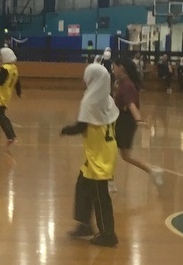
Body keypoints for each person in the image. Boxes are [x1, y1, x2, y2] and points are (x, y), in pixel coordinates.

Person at [60, 63, 119, 247]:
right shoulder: (107, 99)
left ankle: (108, 234)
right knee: (83, 184)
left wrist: (65, 130)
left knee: (100, 194)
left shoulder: (90, 101)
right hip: (102, 150)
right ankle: (85, 224)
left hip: (99, 155)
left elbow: (81, 126)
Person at [111, 57, 164, 186]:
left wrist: (138, 119)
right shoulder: (121, 83)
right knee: (123, 154)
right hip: (120, 120)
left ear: (121, 68)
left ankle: (109, 181)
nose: (113, 70)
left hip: (124, 122)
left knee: (115, 151)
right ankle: (152, 170)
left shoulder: (127, 85)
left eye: (114, 67)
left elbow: (131, 105)